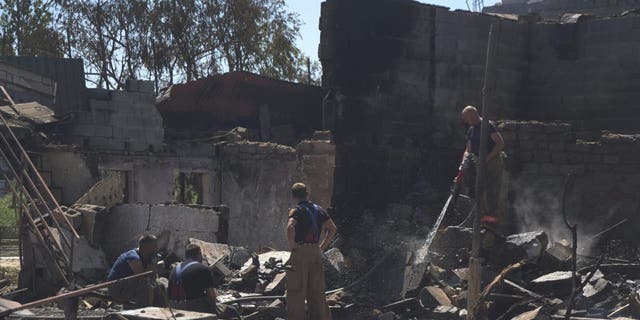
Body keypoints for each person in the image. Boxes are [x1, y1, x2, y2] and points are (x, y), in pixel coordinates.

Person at [286, 182, 337, 320]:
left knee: (296, 291)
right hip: (315, 252)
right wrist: (322, 247)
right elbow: (332, 228)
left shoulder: (296, 210)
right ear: (307, 194)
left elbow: (290, 227)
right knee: (317, 291)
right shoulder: (319, 209)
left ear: (293, 196)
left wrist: (292, 245)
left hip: (301, 251)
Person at [457, 105, 507, 230]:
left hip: (492, 162)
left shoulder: (488, 126)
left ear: (473, 115)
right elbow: (468, 149)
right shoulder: (471, 129)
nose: (466, 121)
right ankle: (482, 221)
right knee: (480, 191)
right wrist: (463, 162)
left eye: (467, 118)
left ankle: (493, 224)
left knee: (492, 192)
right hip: (478, 163)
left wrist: (487, 158)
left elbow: (500, 143)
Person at [107, 234, 164, 307]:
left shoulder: (146, 258)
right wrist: (153, 263)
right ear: (146, 247)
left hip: (129, 286)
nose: (157, 248)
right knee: (146, 285)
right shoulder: (133, 257)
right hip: (117, 288)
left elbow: (153, 276)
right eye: (154, 246)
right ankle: (143, 312)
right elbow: (142, 276)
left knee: (161, 285)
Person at [167, 244, 218, 314]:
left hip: (173, 307)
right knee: (232, 310)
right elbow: (212, 296)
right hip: (191, 307)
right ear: (199, 254)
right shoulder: (203, 268)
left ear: (186, 255)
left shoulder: (175, 268)